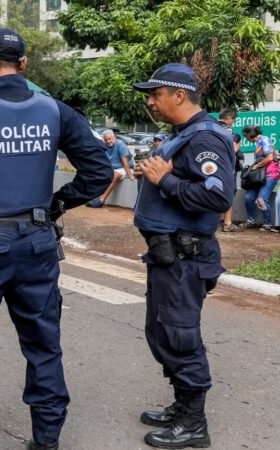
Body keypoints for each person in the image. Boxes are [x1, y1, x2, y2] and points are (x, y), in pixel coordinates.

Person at [0, 29, 112, 450]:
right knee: (44, 343)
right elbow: (99, 172)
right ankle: (46, 440)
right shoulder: (55, 110)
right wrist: (56, 205)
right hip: (37, 242)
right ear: (25, 64)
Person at [130, 63, 234, 449]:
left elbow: (219, 195)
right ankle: (181, 406)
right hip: (169, 257)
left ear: (179, 95)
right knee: (162, 332)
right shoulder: (183, 135)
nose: (151, 102)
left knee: (179, 336)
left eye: (156, 94)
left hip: (185, 258)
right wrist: (154, 175)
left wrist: (166, 181)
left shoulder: (205, 138)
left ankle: (194, 424)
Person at [240, 125, 278, 230]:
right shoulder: (258, 142)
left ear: (250, 135)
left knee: (261, 199)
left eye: (246, 136)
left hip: (270, 174)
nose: (246, 139)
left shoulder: (265, 140)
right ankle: (250, 220)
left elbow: (269, 157)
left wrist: (255, 166)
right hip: (259, 175)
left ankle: (267, 223)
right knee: (248, 198)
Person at [87, 129, 135, 207]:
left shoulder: (120, 144)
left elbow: (125, 162)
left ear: (114, 137)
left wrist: (130, 175)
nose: (108, 141)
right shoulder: (103, 146)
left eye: (110, 139)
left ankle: (101, 200)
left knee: (115, 176)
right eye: (106, 140)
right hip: (113, 168)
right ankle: (94, 197)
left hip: (125, 167)